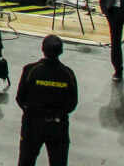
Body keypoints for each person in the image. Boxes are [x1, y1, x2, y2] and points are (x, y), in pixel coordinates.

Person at [16, 34, 78, 166]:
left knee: (26, 161)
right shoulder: (68, 74)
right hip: (58, 125)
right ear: (61, 51)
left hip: (33, 124)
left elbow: (20, 98)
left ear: (42, 49)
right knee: (58, 162)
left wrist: (32, 111)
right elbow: (72, 103)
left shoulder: (30, 70)